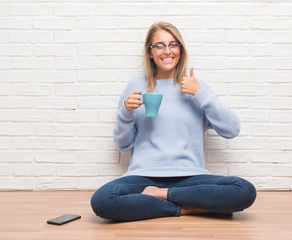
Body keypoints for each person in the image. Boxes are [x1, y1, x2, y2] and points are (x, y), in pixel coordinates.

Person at [91, 21, 256, 221]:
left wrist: (201, 95)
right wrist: (126, 112)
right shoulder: (135, 86)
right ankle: (189, 209)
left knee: (245, 190)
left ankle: (161, 196)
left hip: (191, 176)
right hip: (144, 176)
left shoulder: (196, 87)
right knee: (102, 200)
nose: (167, 51)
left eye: (173, 44)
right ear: (150, 53)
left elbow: (232, 129)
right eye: (159, 45)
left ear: (180, 49)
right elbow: (124, 145)